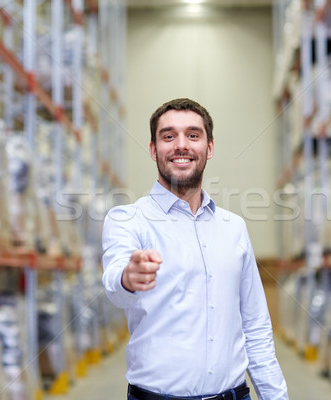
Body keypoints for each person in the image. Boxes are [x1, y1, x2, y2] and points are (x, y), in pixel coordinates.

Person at [102, 98, 289, 400]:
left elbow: (255, 326)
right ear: (153, 149)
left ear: (209, 148)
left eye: (192, 135)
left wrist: (276, 397)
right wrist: (128, 277)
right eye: (168, 136)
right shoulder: (128, 220)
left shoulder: (234, 228)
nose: (181, 145)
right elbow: (114, 287)